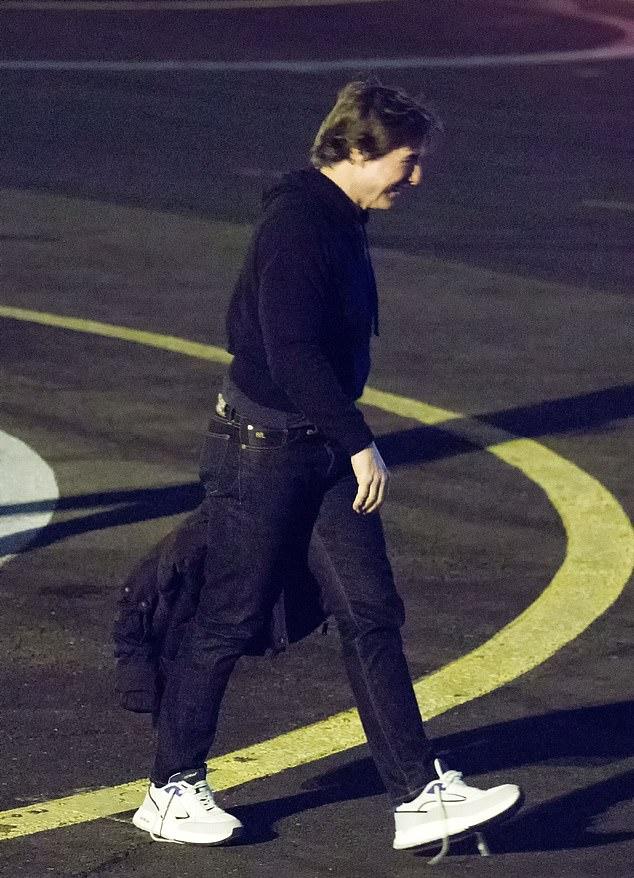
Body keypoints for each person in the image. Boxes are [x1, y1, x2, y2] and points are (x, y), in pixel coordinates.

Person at [132, 79, 522, 852]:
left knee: (371, 614)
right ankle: (170, 788)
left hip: (317, 451)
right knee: (229, 616)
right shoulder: (298, 225)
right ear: (357, 150)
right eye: (407, 160)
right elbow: (290, 351)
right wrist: (358, 440)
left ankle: (417, 795)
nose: (417, 177)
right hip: (262, 453)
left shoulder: (341, 218)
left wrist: (341, 439)